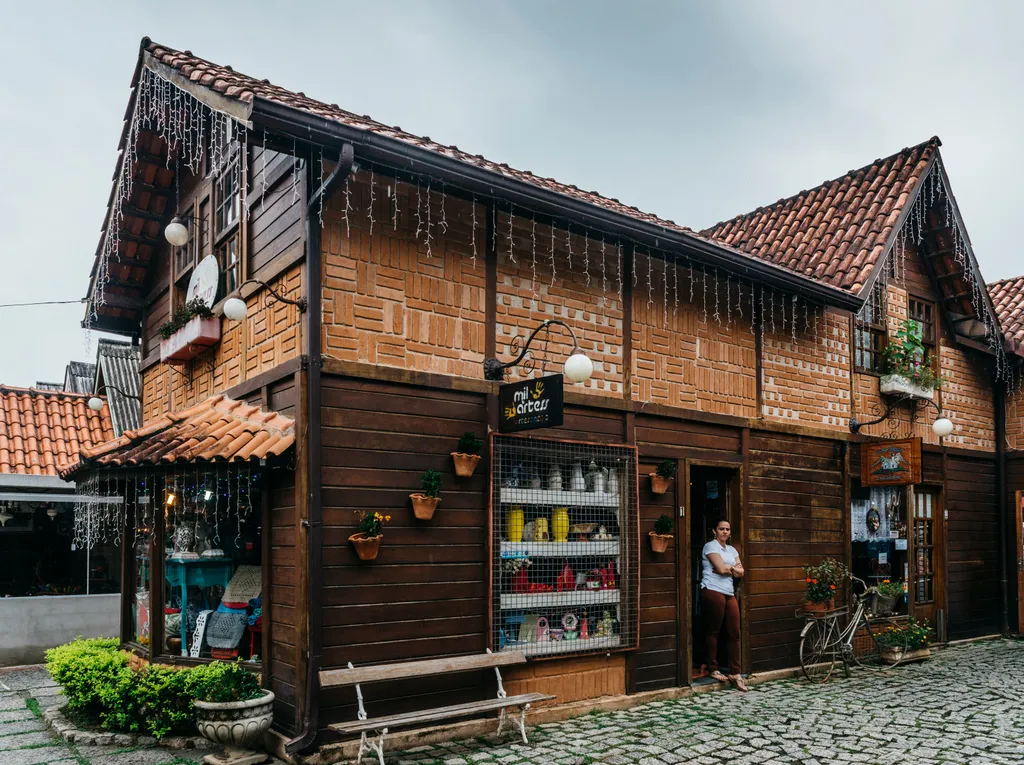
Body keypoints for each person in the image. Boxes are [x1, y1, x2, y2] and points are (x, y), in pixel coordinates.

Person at [701, 519, 747, 691]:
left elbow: (741, 572)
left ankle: (735, 673)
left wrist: (730, 569)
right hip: (712, 589)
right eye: (721, 529)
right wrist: (732, 568)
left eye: (727, 529)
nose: (725, 532)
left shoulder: (732, 549)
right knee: (713, 630)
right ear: (715, 531)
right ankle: (713, 668)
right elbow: (720, 569)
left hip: (728, 592)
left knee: (735, 631)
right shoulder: (710, 546)